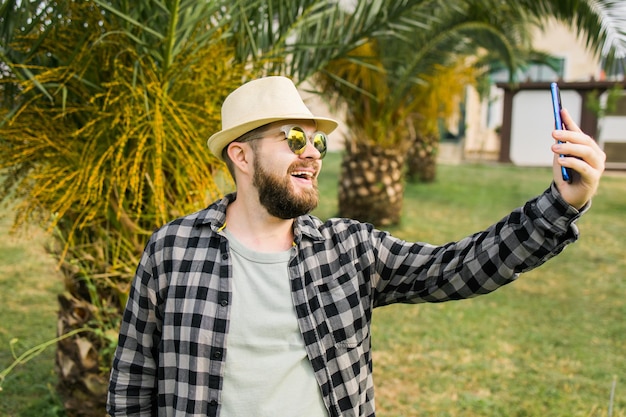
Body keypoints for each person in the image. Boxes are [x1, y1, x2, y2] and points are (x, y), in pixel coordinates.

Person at [106, 76, 606, 417]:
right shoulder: (172, 251)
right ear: (241, 154)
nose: (311, 152)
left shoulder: (348, 250)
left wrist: (561, 204)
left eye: (317, 143)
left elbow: (458, 268)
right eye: (294, 138)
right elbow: (132, 383)